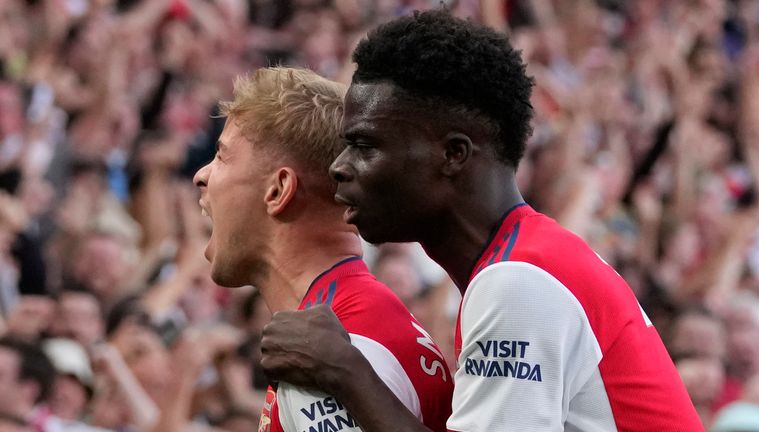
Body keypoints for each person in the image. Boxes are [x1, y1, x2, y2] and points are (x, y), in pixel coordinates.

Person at [259, 10, 704, 431]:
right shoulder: (529, 257)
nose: (339, 165)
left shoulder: (518, 281)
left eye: (365, 145)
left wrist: (344, 370)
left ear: (453, 154)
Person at [193, 67, 453, 432]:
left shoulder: (333, 353)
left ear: (278, 190)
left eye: (221, 156)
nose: (201, 176)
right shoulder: (348, 325)